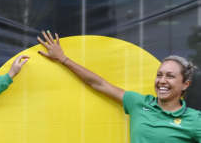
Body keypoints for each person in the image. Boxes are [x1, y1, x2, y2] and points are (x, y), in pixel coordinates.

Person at [37, 30, 201, 143]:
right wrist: (63, 59)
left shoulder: (195, 120)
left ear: (185, 84)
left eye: (170, 76)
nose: (162, 81)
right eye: (159, 75)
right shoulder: (139, 103)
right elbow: (98, 83)